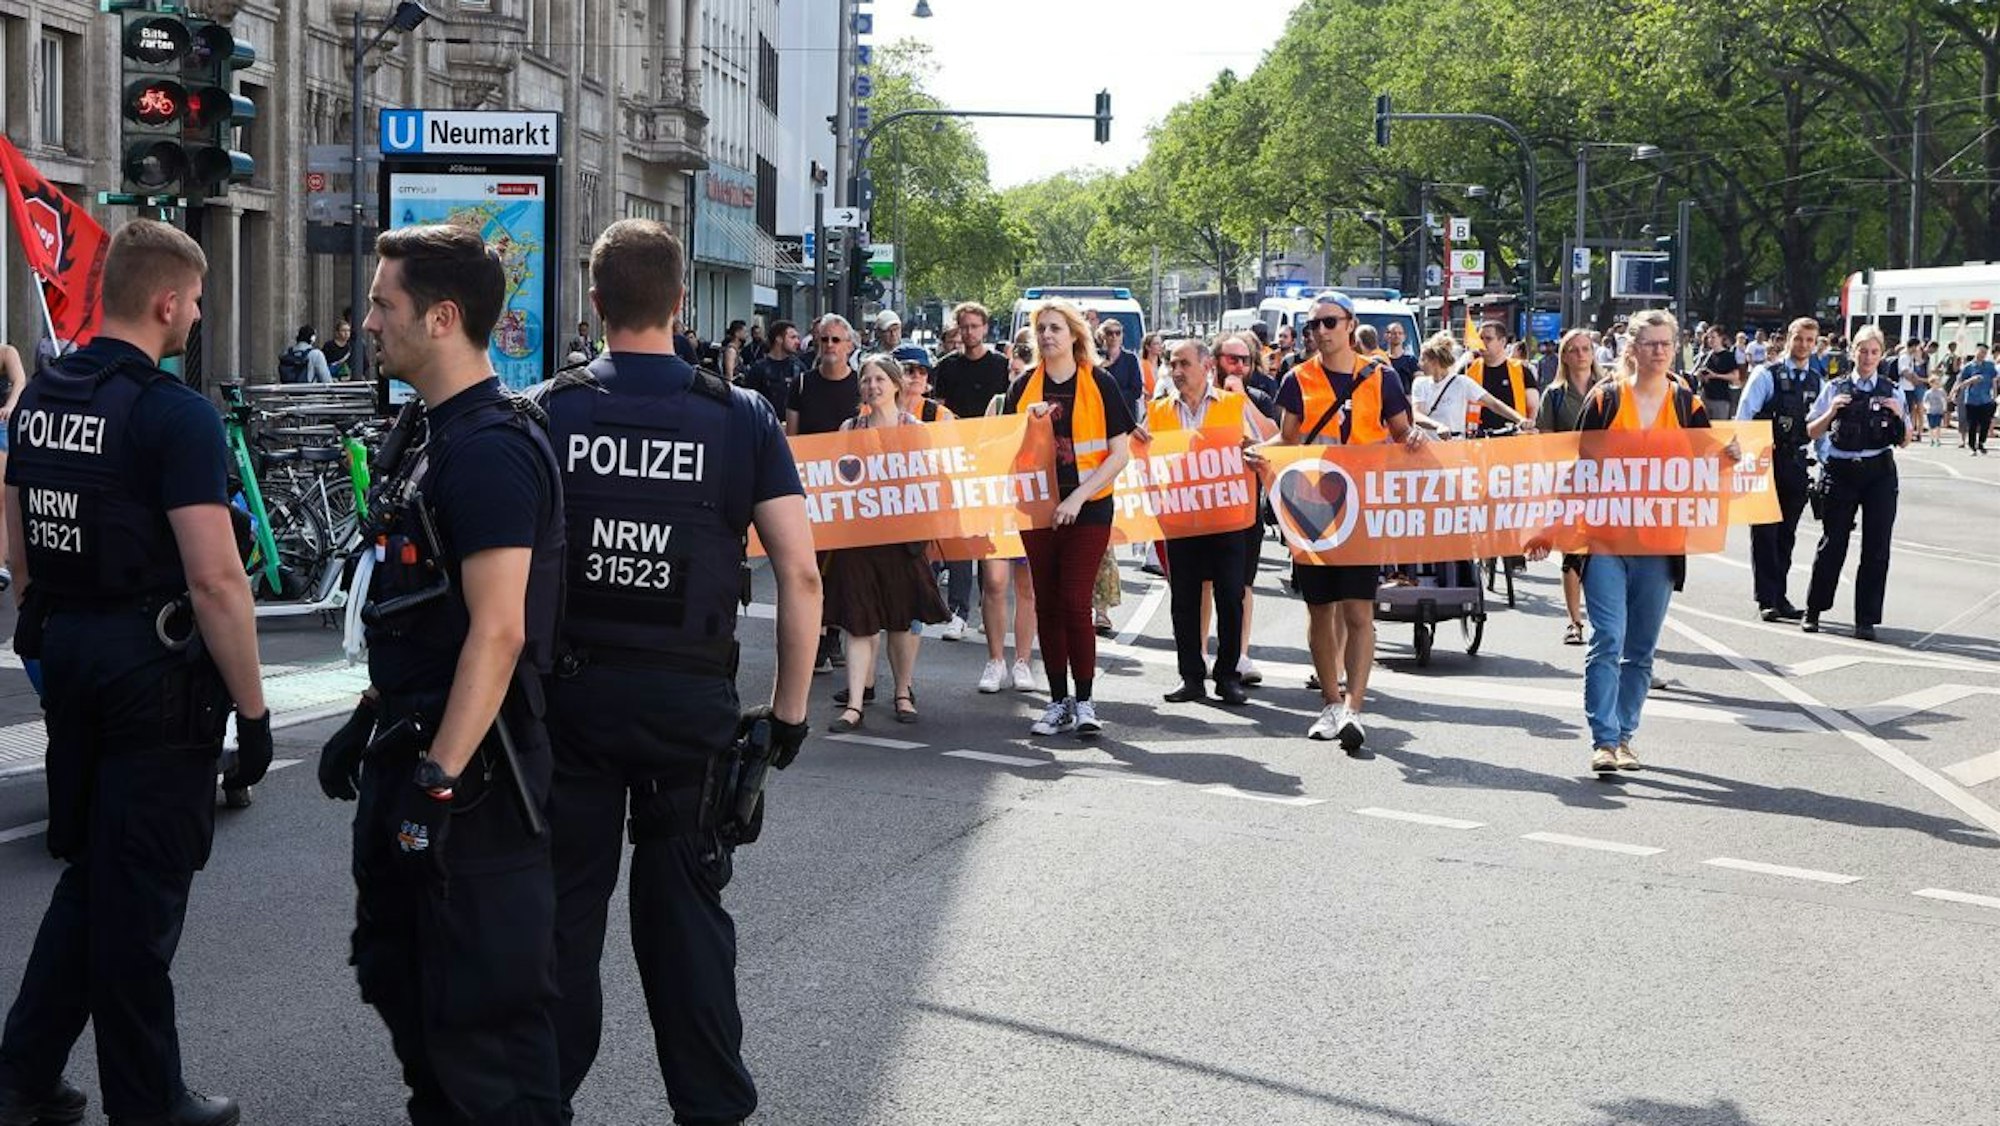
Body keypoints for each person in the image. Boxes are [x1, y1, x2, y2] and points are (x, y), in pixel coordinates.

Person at [529, 220, 818, 1126]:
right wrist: (787, 716)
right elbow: (801, 573)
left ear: (594, 299)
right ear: (682, 303)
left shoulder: (545, 410)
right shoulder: (741, 418)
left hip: (569, 703)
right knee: (687, 926)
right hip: (689, 704)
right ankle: (710, 1108)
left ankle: (541, 1103)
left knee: (562, 925)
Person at [0, 220, 270, 1126]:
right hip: (152, 675)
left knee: (94, 875)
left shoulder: (40, 397)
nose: (197, 314)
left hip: (65, 653)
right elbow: (215, 577)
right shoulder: (172, 414)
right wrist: (254, 710)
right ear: (165, 301)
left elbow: (20, 544)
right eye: (195, 300)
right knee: (142, 895)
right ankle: (151, 1104)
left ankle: (24, 1073)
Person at [335, 224, 568, 1124]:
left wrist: (437, 781)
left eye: (383, 305)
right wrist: (372, 717)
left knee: (485, 1029)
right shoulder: (433, 435)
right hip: (418, 746)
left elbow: (500, 631)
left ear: (440, 317)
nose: (367, 322)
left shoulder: (490, 451)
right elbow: (426, 612)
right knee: (404, 980)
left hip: (476, 788)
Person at [1558, 309, 1732, 774]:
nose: (1659, 351)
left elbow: (1705, 459)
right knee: (1608, 638)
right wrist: (1554, 526)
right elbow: (1579, 465)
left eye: (1666, 343)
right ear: (1632, 348)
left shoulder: (1686, 402)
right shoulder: (1605, 399)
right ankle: (1604, 739)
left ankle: (1626, 734)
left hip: (1660, 546)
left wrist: (1729, 457)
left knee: (1641, 648)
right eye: (1650, 343)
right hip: (1607, 542)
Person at [1272, 292, 1423, 752]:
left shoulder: (1382, 376)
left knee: (1358, 611)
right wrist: (1261, 454)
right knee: (1319, 610)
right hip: (1312, 508)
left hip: (1361, 508)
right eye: (1312, 326)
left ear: (1350, 324)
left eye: (1328, 323)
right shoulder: (1298, 378)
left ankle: (1355, 709)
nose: (1319, 332)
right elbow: (1287, 441)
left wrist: (1413, 437)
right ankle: (1331, 702)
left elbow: (1400, 433)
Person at [1007, 299, 1136, 738]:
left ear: (1075, 335)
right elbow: (1004, 450)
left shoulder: (1100, 383)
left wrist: (1078, 498)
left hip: (1089, 507)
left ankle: (1085, 701)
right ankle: (1057, 701)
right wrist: (1024, 425)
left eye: (1056, 328)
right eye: (1041, 328)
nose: (1047, 336)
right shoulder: (1023, 387)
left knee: (1075, 601)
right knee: (1046, 603)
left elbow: (1120, 454)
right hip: (1037, 507)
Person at [827, 354, 952, 731]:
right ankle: (853, 704)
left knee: (901, 621)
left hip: (903, 542)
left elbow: (933, 480)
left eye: (880, 379)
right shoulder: (849, 426)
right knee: (859, 621)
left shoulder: (915, 428)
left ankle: (902, 692)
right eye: (867, 379)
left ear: (896, 385)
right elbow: (832, 477)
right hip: (860, 540)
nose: (873, 386)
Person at [1148, 339, 1261, 706]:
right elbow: (1146, 454)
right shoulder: (1159, 411)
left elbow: (1262, 446)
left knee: (1230, 597)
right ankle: (1191, 677)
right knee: (1184, 601)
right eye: (1171, 364)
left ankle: (1227, 677)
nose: (1176, 371)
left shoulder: (1233, 405)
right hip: (1181, 520)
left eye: (1183, 363)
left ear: (1206, 366)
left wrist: (1250, 449)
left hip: (1228, 519)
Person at [1803, 324, 1907, 639]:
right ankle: (1815, 609)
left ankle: (1865, 619)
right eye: (1862, 350)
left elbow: (1904, 441)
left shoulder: (1892, 389)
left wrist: (1899, 415)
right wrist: (1832, 411)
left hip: (1879, 471)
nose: (1868, 357)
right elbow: (1812, 430)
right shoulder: (1835, 387)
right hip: (1841, 470)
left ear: (1881, 355)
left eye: (1874, 351)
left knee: (1877, 547)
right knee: (1833, 543)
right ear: (1853, 352)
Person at [1735, 317, 1824, 622]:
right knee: (1765, 533)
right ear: (1788, 338)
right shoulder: (1766, 374)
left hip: (1796, 463)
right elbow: (1745, 417)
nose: (1804, 345)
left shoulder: (1817, 380)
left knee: (1786, 534)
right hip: (1763, 461)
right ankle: (1766, 598)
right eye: (1799, 338)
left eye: (1810, 340)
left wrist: (1824, 461)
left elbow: (1820, 427)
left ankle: (1780, 595)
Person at [788, 316, 861, 675]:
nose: (829, 346)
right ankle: (814, 638)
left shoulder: (863, 386)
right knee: (811, 567)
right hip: (812, 490)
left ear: (849, 345)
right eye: (823, 340)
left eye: (835, 340)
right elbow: (793, 441)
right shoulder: (802, 384)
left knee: (843, 568)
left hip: (851, 491)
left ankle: (832, 635)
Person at [1537, 329, 1605, 645]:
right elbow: (1546, 441)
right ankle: (1575, 621)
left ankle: (1605, 620)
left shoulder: (1608, 390)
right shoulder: (1555, 395)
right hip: (1569, 482)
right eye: (1574, 350)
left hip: (1606, 483)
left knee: (1604, 552)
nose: (1581, 355)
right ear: (1564, 356)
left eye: (1586, 349)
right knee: (1573, 552)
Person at [1409, 331, 1535, 437]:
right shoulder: (1420, 383)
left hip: (1454, 448)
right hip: (1426, 449)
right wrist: (1438, 426)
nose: (1419, 364)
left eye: (1422, 359)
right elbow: (1417, 415)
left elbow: (1493, 403)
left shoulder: (1462, 383)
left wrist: (1520, 419)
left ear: (1434, 361)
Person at [932, 302, 1012, 425]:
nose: (969, 332)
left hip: (992, 434)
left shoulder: (1002, 365)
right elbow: (940, 406)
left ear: (985, 328)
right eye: (964, 327)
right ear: (959, 329)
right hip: (957, 435)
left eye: (974, 326)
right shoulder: (946, 366)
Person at [1465, 321, 1539, 434]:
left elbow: (1533, 406)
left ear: (1503, 341)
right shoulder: (1469, 370)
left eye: (1488, 339)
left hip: (1514, 438)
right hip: (1476, 439)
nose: (1482, 343)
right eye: (1480, 338)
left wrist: (1528, 425)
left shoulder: (1521, 370)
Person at [739, 318, 801, 418]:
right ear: (779, 339)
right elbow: (748, 404)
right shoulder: (758, 369)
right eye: (793, 337)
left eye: (797, 338)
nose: (797, 342)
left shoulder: (799, 367)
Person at [0, 343, 23, 591]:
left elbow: (19, 382)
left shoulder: (7, 353)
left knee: (1, 497)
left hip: (0, 424)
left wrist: (10, 405)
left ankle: (0, 561)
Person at [1950, 342, 1996, 455]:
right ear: (1976, 351)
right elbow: (1960, 383)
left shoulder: (1990, 366)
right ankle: (1972, 446)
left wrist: (1994, 396)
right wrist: (1971, 380)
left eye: (1985, 353)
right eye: (1981, 352)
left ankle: (1981, 443)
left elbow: (1994, 380)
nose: (1982, 354)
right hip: (1971, 399)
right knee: (1973, 424)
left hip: (1986, 399)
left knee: (1985, 423)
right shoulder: (1968, 367)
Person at [1096, 320, 1147, 412]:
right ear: (1103, 336)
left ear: (1122, 335)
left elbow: (1136, 390)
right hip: (1100, 411)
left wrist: (1113, 397)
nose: (1114, 336)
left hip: (1125, 412)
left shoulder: (1130, 359)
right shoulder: (1095, 358)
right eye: (1109, 333)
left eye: (1118, 333)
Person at [1694, 325, 1742, 420]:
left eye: (1713, 337)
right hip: (1705, 397)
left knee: (1719, 430)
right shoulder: (1706, 356)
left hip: (1720, 399)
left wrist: (1716, 376)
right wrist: (1700, 375)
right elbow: (1697, 373)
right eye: (1708, 337)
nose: (1710, 340)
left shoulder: (1728, 356)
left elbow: (1735, 377)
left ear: (1720, 338)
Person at [1924, 374, 1948, 446]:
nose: (1937, 385)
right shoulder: (1928, 392)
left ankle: (1937, 439)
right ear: (1931, 384)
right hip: (1930, 411)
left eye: (1938, 383)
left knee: (1938, 426)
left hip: (1939, 411)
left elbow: (1945, 399)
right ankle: (1931, 439)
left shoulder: (1941, 391)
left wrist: (1944, 407)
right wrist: (1926, 407)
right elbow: (1925, 401)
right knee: (1931, 426)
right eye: (1935, 383)